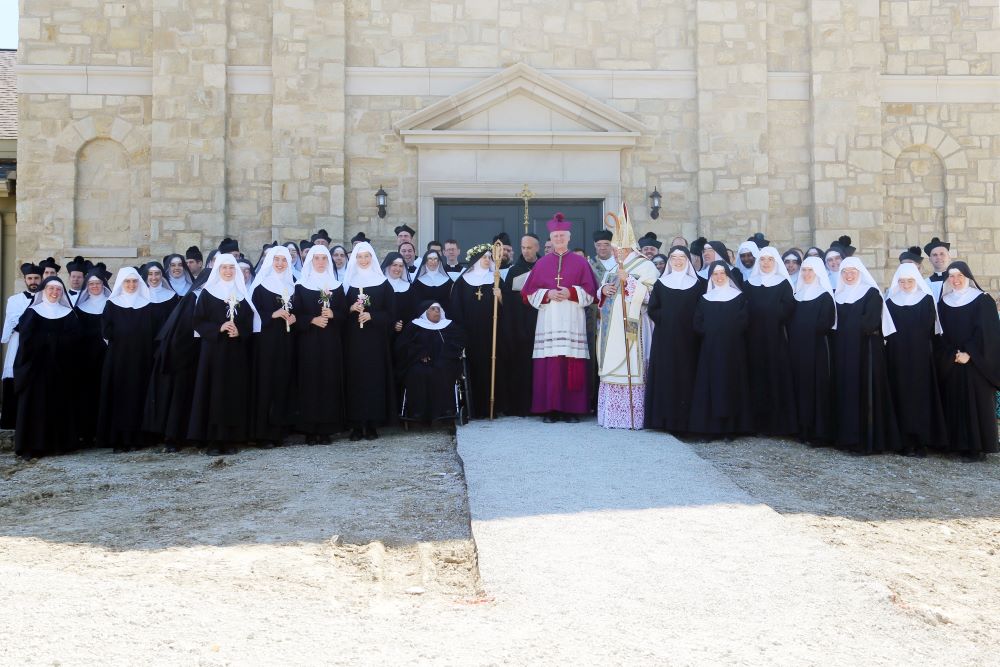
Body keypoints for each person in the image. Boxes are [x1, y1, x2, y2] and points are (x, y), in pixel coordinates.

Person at [521, 213, 598, 423]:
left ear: (569, 237)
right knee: (550, 365)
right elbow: (527, 294)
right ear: (551, 238)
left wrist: (571, 293)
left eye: (562, 236)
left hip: (573, 318)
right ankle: (550, 409)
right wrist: (547, 294)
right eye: (555, 236)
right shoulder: (542, 263)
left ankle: (572, 410)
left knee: (572, 364)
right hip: (549, 320)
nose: (559, 239)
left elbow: (591, 293)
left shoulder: (581, 263)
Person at [187, 254, 255, 455]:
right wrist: (219, 327)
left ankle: (231, 438)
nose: (227, 271)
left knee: (233, 393)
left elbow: (249, 321)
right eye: (224, 267)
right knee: (213, 392)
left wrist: (239, 331)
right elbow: (198, 321)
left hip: (235, 352)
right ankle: (214, 441)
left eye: (231, 268)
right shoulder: (208, 293)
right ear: (217, 270)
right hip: (213, 352)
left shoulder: (242, 293)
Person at [831, 257, 900, 455]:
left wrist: (845, 329)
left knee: (864, 392)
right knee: (846, 391)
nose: (849, 275)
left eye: (853, 271)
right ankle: (846, 438)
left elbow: (869, 323)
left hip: (865, 351)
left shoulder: (871, 294)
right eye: (845, 272)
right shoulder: (838, 295)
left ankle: (865, 441)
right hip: (844, 352)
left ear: (860, 272)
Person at [595, 221, 659, 430]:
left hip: (634, 325)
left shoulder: (646, 266)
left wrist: (629, 280)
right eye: (613, 250)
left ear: (628, 249)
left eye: (616, 249)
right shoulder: (614, 266)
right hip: (610, 330)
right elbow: (602, 291)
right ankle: (611, 416)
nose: (613, 253)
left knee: (632, 363)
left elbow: (652, 296)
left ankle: (633, 417)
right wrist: (603, 290)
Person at [936, 261, 1000, 460]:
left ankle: (977, 449)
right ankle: (957, 445)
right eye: (952, 276)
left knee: (976, 403)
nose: (955, 280)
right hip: (952, 360)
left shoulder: (983, 300)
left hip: (975, 363)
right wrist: (952, 353)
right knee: (954, 401)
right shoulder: (944, 302)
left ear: (968, 277)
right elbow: (940, 333)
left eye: (959, 276)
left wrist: (969, 354)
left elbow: (987, 333)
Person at [883, 263, 948, 457]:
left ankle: (921, 441)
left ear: (917, 280)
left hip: (920, 357)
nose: (906, 284)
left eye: (910, 281)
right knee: (900, 394)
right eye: (902, 281)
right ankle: (903, 441)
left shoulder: (926, 299)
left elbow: (929, 329)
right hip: (897, 356)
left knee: (920, 396)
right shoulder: (891, 301)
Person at [13, 278, 81, 459]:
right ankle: (32, 447)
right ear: (44, 290)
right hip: (36, 370)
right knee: (35, 407)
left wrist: (52, 341)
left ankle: (58, 444)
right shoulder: (32, 313)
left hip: (61, 370)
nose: (54, 292)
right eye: (50, 288)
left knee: (58, 406)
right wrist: (50, 340)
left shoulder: (68, 313)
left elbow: (74, 341)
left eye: (58, 290)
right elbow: (26, 342)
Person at [689, 262, 752, 438]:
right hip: (710, 350)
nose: (719, 277)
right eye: (715, 274)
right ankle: (711, 429)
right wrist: (711, 332)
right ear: (711, 277)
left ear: (728, 275)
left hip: (733, 350)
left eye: (722, 273)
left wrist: (724, 332)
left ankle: (731, 429)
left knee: (731, 385)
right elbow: (697, 322)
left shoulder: (739, 297)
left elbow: (743, 321)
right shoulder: (705, 298)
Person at [644, 246, 704, 434]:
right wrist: (668, 318)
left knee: (687, 375)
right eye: (674, 257)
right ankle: (663, 420)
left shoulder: (697, 284)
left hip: (689, 339)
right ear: (669, 261)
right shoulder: (661, 283)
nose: (677, 261)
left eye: (681, 257)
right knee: (666, 375)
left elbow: (701, 309)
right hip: (665, 339)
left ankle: (685, 421)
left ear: (687, 260)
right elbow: (653, 308)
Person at [97, 267, 157, 453]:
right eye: (127, 282)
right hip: (119, 360)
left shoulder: (147, 305)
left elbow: (153, 333)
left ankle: (138, 438)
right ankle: (119, 439)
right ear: (121, 284)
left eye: (134, 282)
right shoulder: (112, 304)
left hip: (141, 360)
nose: (131, 285)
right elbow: (106, 332)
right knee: (119, 397)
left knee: (139, 397)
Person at [292, 245, 347, 442]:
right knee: (310, 381)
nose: (321, 262)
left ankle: (326, 429)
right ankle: (309, 429)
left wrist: (334, 314)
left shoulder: (337, 286)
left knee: (329, 380)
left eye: (324, 258)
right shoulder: (300, 286)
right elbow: (294, 315)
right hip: (308, 341)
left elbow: (345, 314)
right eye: (317, 258)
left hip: (331, 341)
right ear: (310, 261)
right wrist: (312, 320)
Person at [342, 242, 396, 440]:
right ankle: (356, 424)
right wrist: (351, 309)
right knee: (355, 380)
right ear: (354, 259)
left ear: (372, 258)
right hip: (353, 341)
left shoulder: (383, 283)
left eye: (367, 256)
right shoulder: (348, 284)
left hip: (375, 341)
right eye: (359, 257)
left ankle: (373, 423)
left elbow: (391, 314)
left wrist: (372, 316)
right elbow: (340, 312)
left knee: (374, 380)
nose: (363, 260)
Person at [248, 246, 298, 447]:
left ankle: (279, 431)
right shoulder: (260, 286)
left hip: (287, 342)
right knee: (266, 384)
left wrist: (296, 317)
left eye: (284, 260)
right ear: (270, 261)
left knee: (282, 382)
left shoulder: (293, 285)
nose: (280, 264)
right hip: (266, 343)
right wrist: (272, 314)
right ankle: (263, 433)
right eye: (276, 260)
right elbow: (252, 314)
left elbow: (301, 309)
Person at [745, 246, 797, 436]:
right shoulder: (750, 283)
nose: (765, 263)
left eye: (769, 260)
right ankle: (757, 424)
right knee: (756, 379)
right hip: (754, 340)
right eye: (762, 260)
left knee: (775, 378)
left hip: (776, 339)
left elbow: (788, 309)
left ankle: (777, 425)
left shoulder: (783, 283)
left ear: (775, 262)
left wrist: (769, 316)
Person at [788, 257, 836, 445]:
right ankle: (803, 428)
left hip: (816, 349)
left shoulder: (824, 296)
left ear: (817, 273)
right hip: (798, 349)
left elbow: (826, 323)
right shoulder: (797, 294)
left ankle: (819, 432)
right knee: (800, 386)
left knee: (816, 388)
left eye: (810, 271)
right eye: (804, 271)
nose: (807, 274)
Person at [450, 245, 501, 419]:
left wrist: (500, 296)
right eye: (484, 257)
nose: (487, 260)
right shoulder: (463, 281)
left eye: (490, 257)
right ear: (476, 259)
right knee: (473, 368)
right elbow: (456, 309)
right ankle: (474, 408)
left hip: (491, 333)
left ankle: (492, 407)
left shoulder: (496, 279)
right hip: (470, 334)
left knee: (491, 367)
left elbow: (506, 309)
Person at [395, 301, 466, 427]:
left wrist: (441, 355)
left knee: (442, 370)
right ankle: (417, 412)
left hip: (444, 361)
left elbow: (458, 344)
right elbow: (403, 346)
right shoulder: (414, 326)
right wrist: (420, 354)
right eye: (433, 309)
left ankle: (445, 411)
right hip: (418, 362)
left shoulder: (449, 326)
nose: (436, 311)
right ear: (425, 312)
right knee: (417, 372)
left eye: (438, 309)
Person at [499, 234, 540, 417]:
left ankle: (539, 405)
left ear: (537, 248)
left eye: (529, 248)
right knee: (520, 366)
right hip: (520, 325)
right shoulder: (515, 270)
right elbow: (507, 298)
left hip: (541, 323)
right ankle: (519, 406)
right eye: (523, 247)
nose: (525, 251)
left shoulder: (544, 266)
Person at [72, 267, 112, 449]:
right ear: (86, 286)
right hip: (85, 360)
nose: (95, 286)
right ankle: (86, 434)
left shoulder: (112, 304)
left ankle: (104, 433)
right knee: (87, 395)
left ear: (103, 285)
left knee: (106, 393)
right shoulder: (80, 308)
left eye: (98, 283)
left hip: (107, 357)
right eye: (91, 284)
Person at [1, 262, 43, 429]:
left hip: (39, 344)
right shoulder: (14, 299)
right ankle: (11, 422)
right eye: (30, 278)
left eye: (36, 278)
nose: (33, 281)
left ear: (41, 279)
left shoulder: (47, 297)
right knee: (14, 378)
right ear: (25, 279)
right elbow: (14, 322)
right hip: (18, 342)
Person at [381, 251, 416, 341]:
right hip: (383, 334)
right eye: (394, 265)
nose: (398, 268)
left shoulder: (409, 288)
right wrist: (392, 324)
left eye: (401, 266)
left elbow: (413, 313)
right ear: (388, 266)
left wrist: (402, 324)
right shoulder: (380, 286)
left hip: (404, 335)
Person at [141, 261, 181, 336]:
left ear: (162, 275)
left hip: (166, 341)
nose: (154, 277)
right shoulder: (141, 297)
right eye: (150, 274)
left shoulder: (172, 297)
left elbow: (176, 323)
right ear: (146, 276)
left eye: (157, 273)